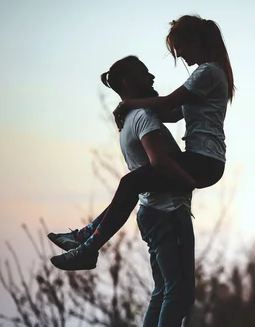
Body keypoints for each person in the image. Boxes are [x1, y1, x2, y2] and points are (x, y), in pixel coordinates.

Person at [49, 55, 201, 327]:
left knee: (162, 292)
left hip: (151, 214)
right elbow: (159, 162)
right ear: (128, 83)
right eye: (143, 73)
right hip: (168, 213)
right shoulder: (143, 117)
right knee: (180, 293)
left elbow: (175, 111)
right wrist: (189, 179)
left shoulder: (132, 118)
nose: (151, 75)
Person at [49, 14, 235, 271]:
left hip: (205, 161)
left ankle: (88, 246)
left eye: (179, 47)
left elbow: (168, 102)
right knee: (134, 183)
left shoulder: (208, 72)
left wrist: (129, 104)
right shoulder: (208, 75)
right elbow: (171, 113)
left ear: (195, 41)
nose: (179, 55)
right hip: (202, 159)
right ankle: (86, 239)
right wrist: (133, 111)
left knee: (131, 182)